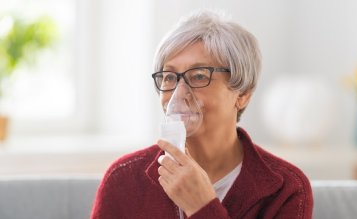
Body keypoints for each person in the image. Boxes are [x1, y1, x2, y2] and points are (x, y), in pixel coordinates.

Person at [91, 10, 313, 219]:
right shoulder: (124, 179)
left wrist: (201, 207)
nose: (178, 93)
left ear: (242, 94)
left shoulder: (287, 189)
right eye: (169, 77)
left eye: (198, 76)